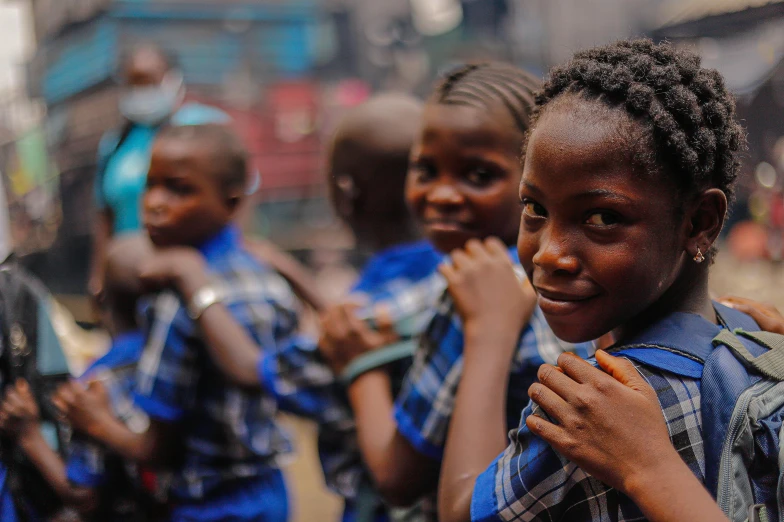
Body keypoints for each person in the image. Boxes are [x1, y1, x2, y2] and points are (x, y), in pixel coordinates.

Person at [437, 39, 748, 522]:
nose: (548, 253)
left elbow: (460, 512)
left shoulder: (592, 412)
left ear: (699, 222)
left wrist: (487, 334)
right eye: (535, 209)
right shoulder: (752, 343)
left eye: (602, 217)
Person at [131, 93, 442, 522]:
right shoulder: (453, 279)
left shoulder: (364, 326)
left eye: (177, 188)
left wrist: (194, 284)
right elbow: (344, 316)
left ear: (344, 194)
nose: (155, 203)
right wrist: (291, 273)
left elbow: (253, 370)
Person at [318, 63, 593, 520]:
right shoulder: (564, 277)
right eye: (425, 169)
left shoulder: (469, 294)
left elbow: (397, 476)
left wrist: (359, 366)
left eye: (479, 175)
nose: (442, 194)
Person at [56, 124, 314, 522]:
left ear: (231, 201)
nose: (154, 204)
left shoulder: (174, 304)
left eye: (179, 189)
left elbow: (159, 450)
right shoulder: (266, 279)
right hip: (271, 495)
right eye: (150, 186)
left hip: (207, 506)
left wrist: (96, 422)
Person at [2, 235, 166, 521]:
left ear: (98, 296)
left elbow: (81, 495)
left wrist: (29, 436)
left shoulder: (95, 387)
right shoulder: (182, 362)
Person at [88, 43, 229, 303]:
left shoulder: (202, 127)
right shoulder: (115, 143)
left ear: (173, 79)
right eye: (134, 83)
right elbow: (104, 214)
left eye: (148, 81)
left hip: (197, 271)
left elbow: (242, 190)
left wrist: (233, 254)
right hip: (133, 280)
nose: (153, 204)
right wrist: (100, 277)